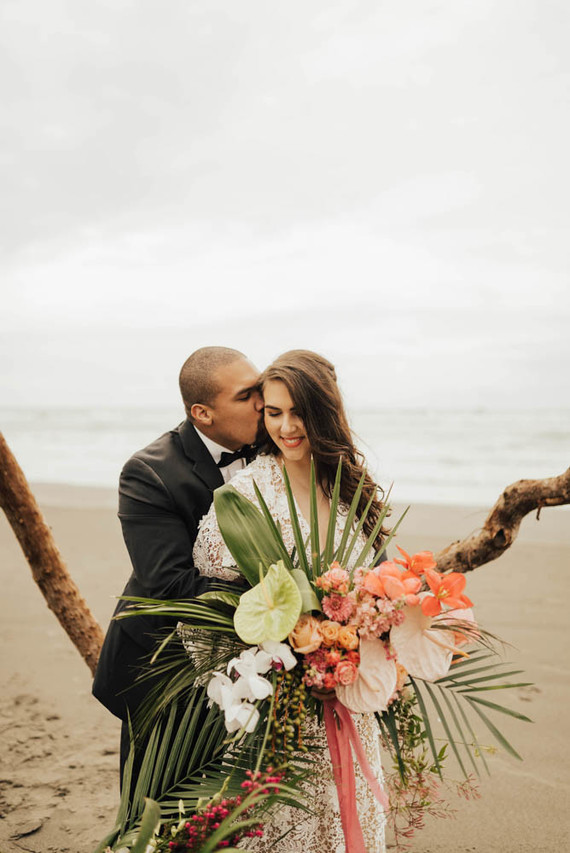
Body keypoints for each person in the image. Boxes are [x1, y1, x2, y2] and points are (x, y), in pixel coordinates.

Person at [193, 349, 388, 853]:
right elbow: (214, 610)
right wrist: (285, 667)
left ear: (324, 412)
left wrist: (367, 647)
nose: (286, 426)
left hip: (348, 696)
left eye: (298, 411)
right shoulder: (248, 495)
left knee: (351, 821)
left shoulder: (349, 487)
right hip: (283, 710)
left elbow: (377, 586)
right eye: (273, 412)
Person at [92, 346, 263, 777]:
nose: (262, 404)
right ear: (202, 414)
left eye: (260, 389)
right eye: (246, 396)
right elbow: (169, 583)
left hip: (256, 654)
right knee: (161, 796)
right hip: (163, 660)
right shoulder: (148, 473)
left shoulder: (278, 442)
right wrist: (278, 605)